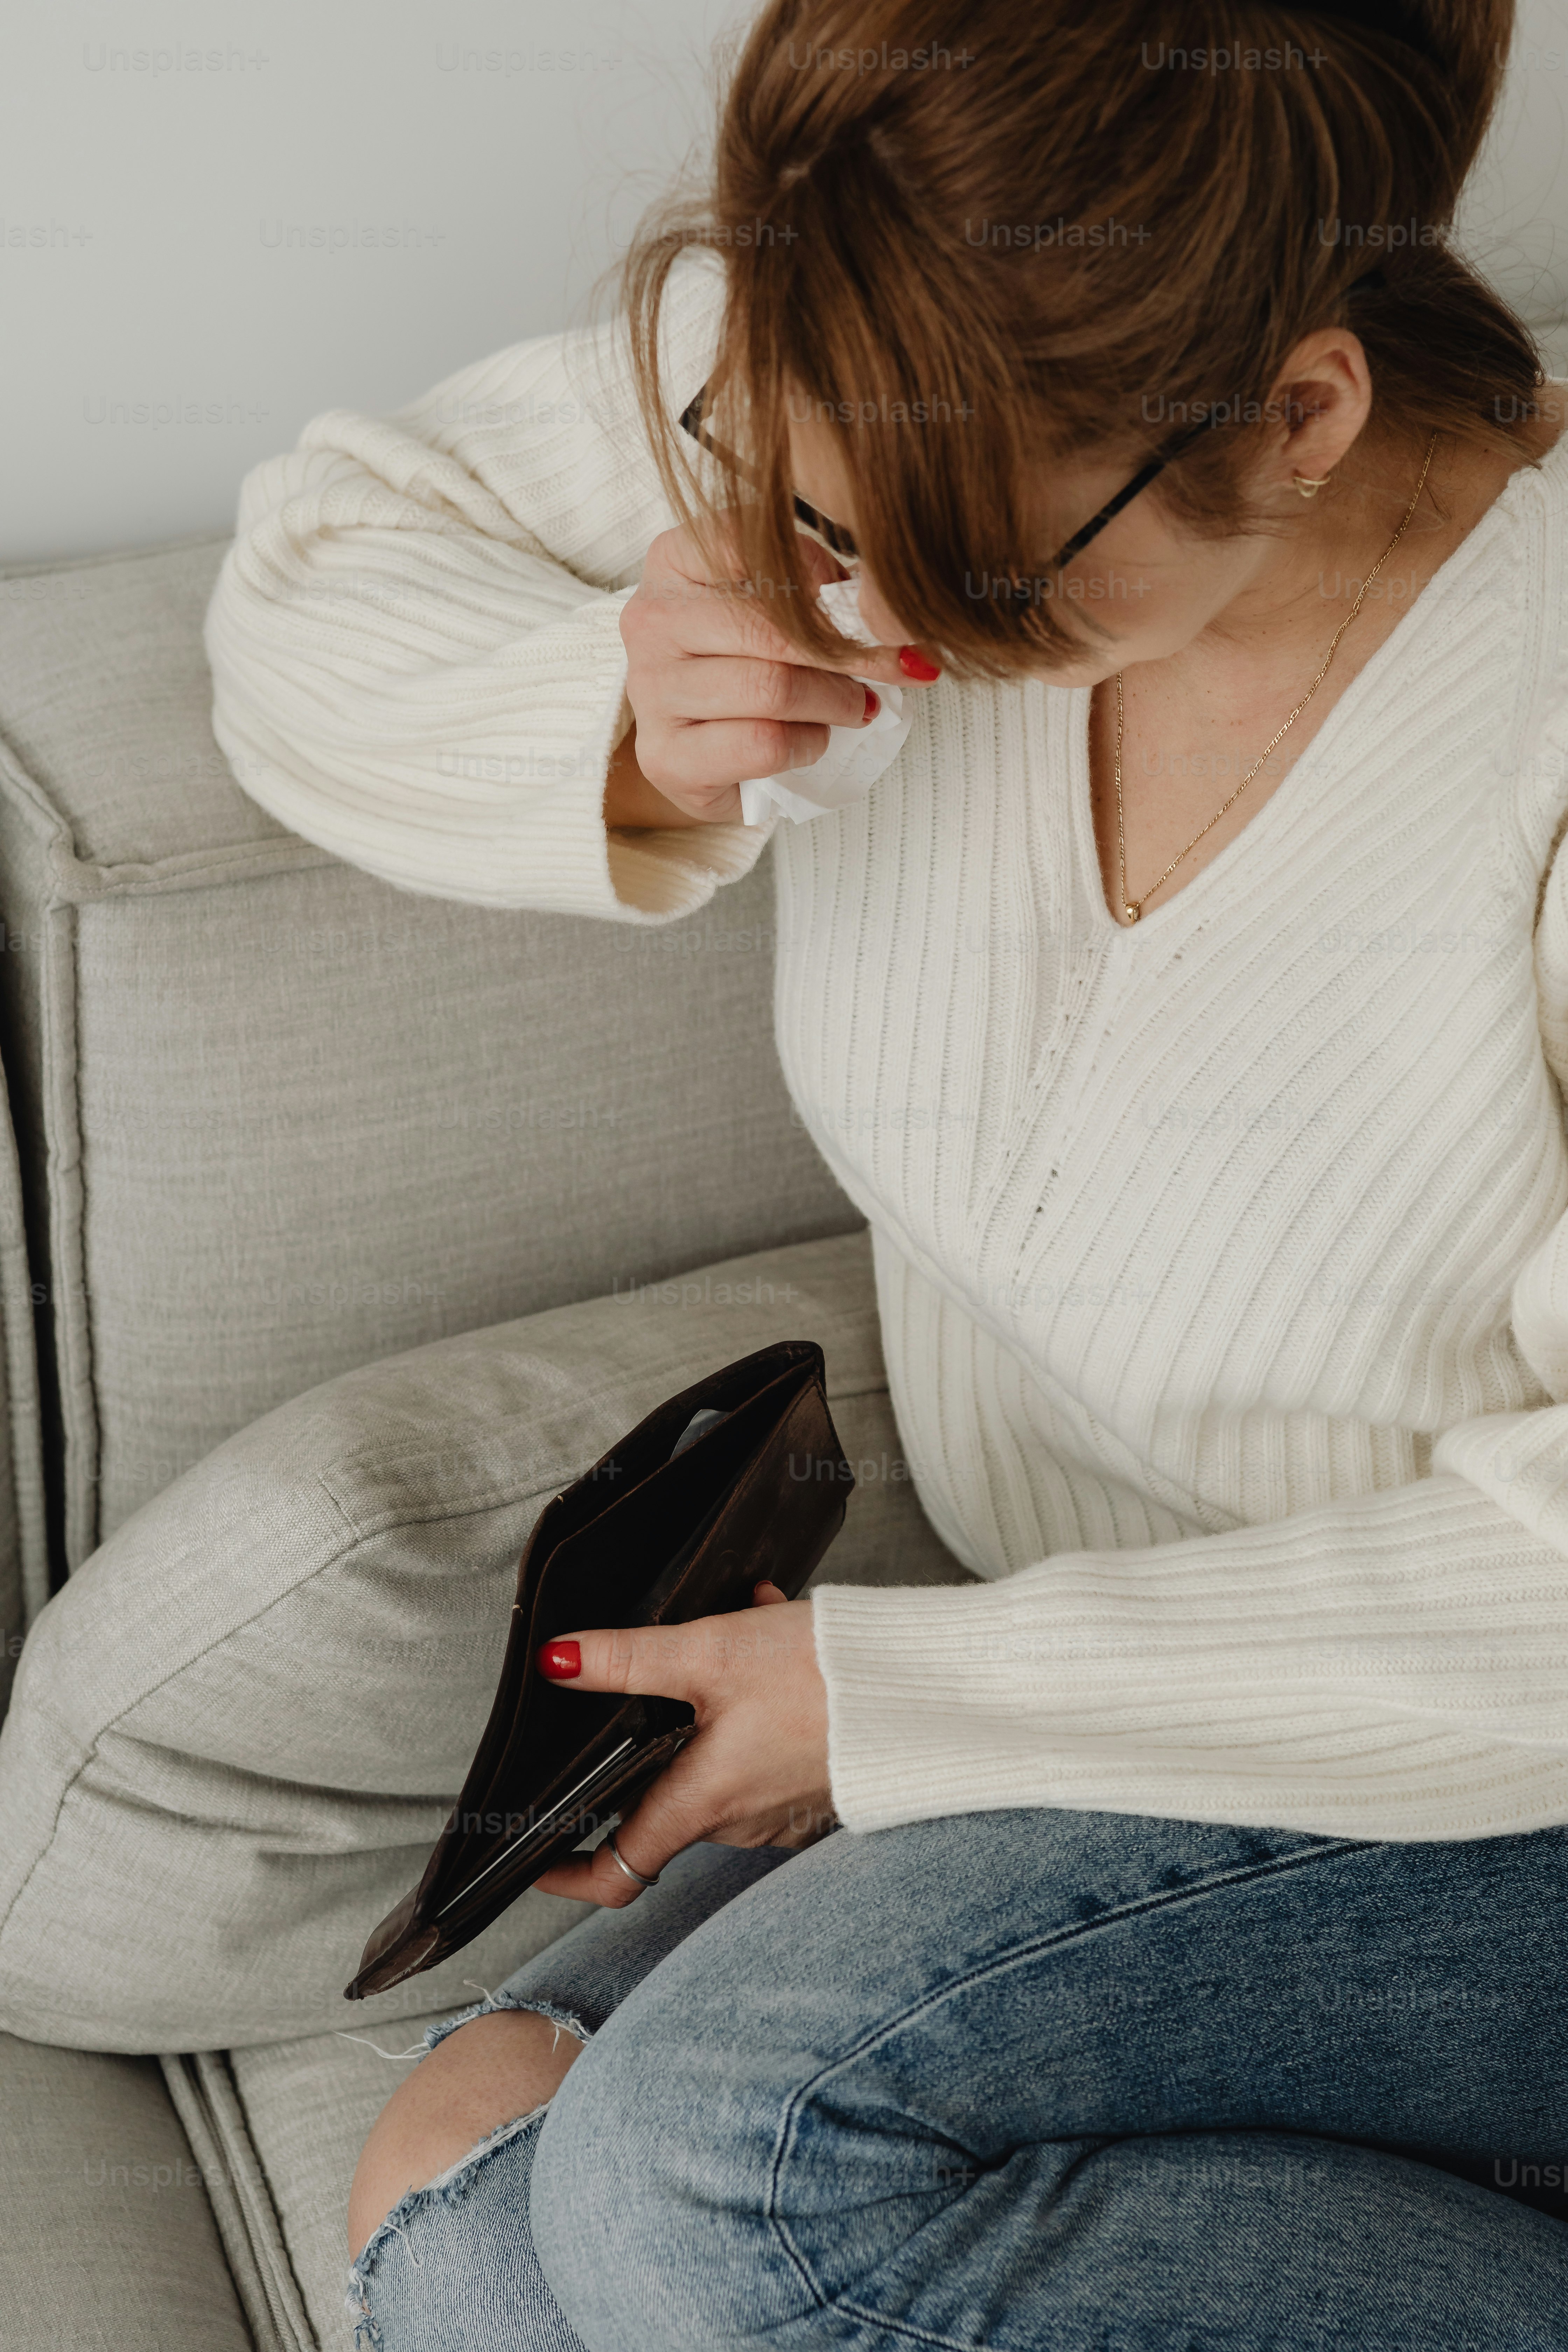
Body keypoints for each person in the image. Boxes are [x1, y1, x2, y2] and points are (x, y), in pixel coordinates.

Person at [205, 2, 1568, 2343]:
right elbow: (310, 573)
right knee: (472, 2199)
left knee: (717, 2181)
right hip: (1102, 1731)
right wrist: (626, 719)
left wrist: (909, 1697)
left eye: (985, 572)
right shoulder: (887, 332)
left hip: (1503, 1783)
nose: (884, 621)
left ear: (1305, 413)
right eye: (818, 524)